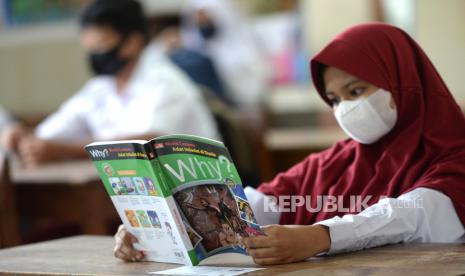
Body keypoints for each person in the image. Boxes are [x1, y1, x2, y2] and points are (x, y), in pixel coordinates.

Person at [113, 23, 465, 265]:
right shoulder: (334, 163)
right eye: (335, 99)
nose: (345, 109)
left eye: (356, 91)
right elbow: (255, 206)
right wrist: (158, 227)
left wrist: (319, 237)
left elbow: (412, 216)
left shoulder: (454, 154)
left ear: (404, 83)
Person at [1, 0, 220, 167]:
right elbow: (53, 133)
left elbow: (147, 144)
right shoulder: (101, 88)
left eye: (102, 45)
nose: (95, 55)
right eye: (90, 49)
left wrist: (63, 151)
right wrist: (24, 138)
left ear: (133, 42)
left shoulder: (166, 82)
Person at [179, 0, 271, 109]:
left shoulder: (245, 52)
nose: (203, 21)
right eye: (199, 18)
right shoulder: (191, 57)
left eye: (205, 16)